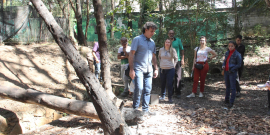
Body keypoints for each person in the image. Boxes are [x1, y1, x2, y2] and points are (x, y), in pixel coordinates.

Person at [129, 22, 158, 115]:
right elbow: (131, 54)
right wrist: (131, 69)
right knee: (139, 88)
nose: (153, 33)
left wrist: (156, 68)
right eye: (151, 31)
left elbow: (154, 56)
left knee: (148, 89)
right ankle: (135, 110)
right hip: (138, 69)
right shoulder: (137, 39)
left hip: (149, 70)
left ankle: (145, 110)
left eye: (154, 31)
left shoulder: (152, 42)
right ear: (146, 30)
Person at [222, 41, 242, 108]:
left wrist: (233, 69)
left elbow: (239, 64)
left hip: (232, 72)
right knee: (227, 86)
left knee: (233, 88)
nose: (230, 47)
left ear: (234, 46)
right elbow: (224, 61)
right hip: (226, 71)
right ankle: (226, 99)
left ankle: (231, 101)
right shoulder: (227, 53)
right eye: (229, 46)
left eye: (232, 46)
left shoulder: (237, 54)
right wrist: (223, 65)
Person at [158, 39, 178, 103]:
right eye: (166, 42)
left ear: (170, 44)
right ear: (164, 43)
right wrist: (161, 63)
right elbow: (159, 57)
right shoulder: (161, 50)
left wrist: (174, 65)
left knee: (169, 84)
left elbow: (176, 58)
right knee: (162, 83)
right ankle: (162, 96)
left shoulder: (173, 50)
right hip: (162, 69)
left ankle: (170, 97)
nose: (167, 43)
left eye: (168, 42)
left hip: (170, 69)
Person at [168, 30, 184, 99]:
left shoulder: (178, 40)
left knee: (178, 77)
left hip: (177, 61)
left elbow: (182, 50)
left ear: (174, 34)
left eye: (172, 33)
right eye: (170, 33)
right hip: (169, 61)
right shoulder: (167, 41)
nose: (171, 34)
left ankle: (178, 93)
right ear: (168, 34)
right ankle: (171, 92)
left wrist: (182, 59)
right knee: (170, 77)